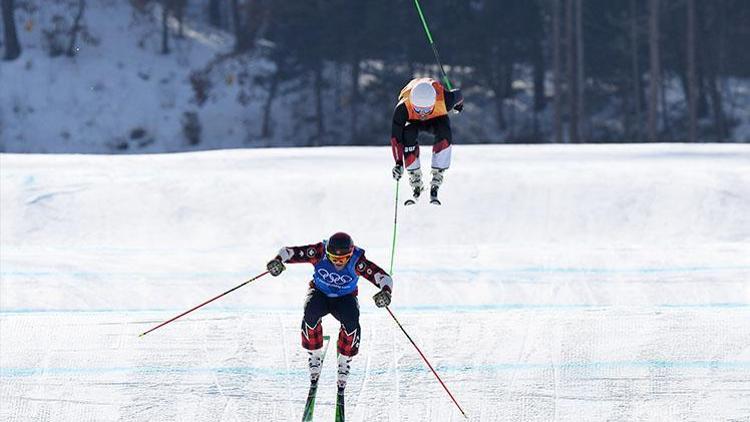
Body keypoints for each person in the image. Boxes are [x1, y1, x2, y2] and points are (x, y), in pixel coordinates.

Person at [266, 232, 393, 393]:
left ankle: (344, 360)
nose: (338, 262)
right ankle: (315, 354)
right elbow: (289, 252)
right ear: (328, 253)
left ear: (350, 254)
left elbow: (383, 277)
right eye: (333, 258)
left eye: (342, 259)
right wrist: (278, 261)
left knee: (352, 320)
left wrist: (386, 292)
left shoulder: (357, 261)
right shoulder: (319, 252)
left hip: (345, 297)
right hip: (320, 293)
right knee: (310, 313)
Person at [390, 77, 464, 205]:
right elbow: (396, 138)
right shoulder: (403, 107)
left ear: (433, 102)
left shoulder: (445, 100)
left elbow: (459, 95)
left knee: (444, 131)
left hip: (436, 118)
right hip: (413, 121)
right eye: (418, 109)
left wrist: (459, 106)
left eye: (426, 110)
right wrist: (398, 163)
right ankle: (415, 178)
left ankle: (437, 176)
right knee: (407, 134)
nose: (422, 114)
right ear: (412, 103)